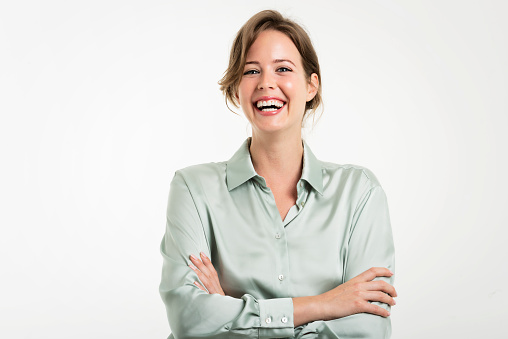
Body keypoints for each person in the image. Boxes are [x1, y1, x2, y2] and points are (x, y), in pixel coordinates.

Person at [159, 9, 396, 339]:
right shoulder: (193, 189)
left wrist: (228, 310)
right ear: (235, 90)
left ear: (312, 85)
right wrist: (326, 304)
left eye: (283, 69)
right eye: (251, 71)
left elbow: (369, 327)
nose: (266, 83)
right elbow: (189, 318)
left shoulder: (359, 193)